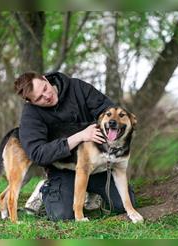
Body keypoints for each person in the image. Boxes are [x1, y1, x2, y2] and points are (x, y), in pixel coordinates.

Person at [14, 71, 136, 221]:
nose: (46, 96)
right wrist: (80, 137)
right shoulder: (31, 115)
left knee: (120, 205)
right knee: (62, 215)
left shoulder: (77, 87)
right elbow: (38, 153)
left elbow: (108, 112)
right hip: (63, 169)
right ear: (30, 102)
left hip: (97, 164)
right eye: (39, 98)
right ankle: (44, 190)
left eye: (45, 88)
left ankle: (91, 193)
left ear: (45, 79)